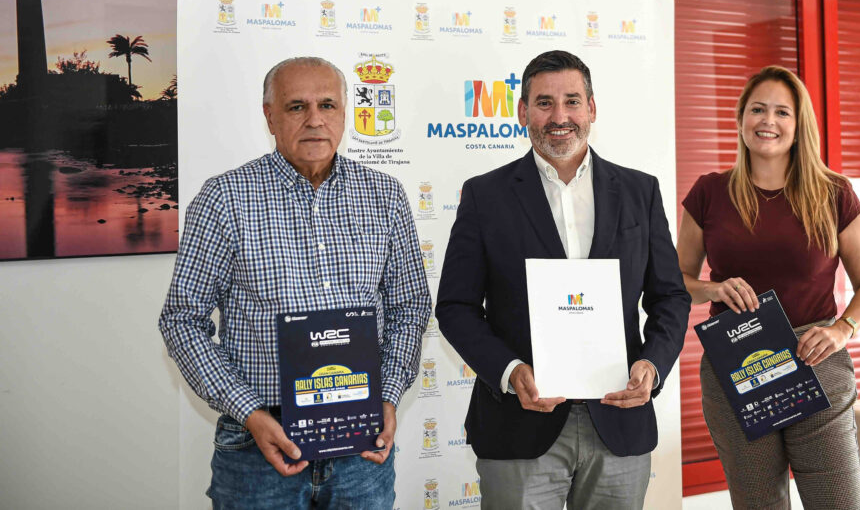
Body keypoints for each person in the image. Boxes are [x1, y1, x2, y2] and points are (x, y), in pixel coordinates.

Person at [159, 56, 431, 509]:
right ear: (270, 116)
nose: (314, 120)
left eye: (327, 105)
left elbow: (410, 306)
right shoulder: (224, 198)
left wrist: (386, 396)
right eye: (296, 107)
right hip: (258, 448)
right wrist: (248, 412)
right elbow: (182, 320)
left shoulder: (385, 195)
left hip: (361, 449)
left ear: (344, 113)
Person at [436, 50, 691, 510]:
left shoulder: (641, 191)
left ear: (591, 108)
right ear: (522, 112)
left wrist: (652, 366)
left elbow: (670, 297)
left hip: (619, 422)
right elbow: (456, 307)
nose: (559, 117)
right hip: (518, 426)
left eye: (572, 101)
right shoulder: (484, 196)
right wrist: (510, 372)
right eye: (544, 103)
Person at [676, 65, 860, 509]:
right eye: (757, 109)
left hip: (817, 360)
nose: (767, 121)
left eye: (782, 112)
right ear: (741, 119)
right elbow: (678, 281)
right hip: (738, 367)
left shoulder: (834, 193)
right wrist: (713, 290)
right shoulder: (709, 193)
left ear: (798, 124)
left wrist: (843, 329)